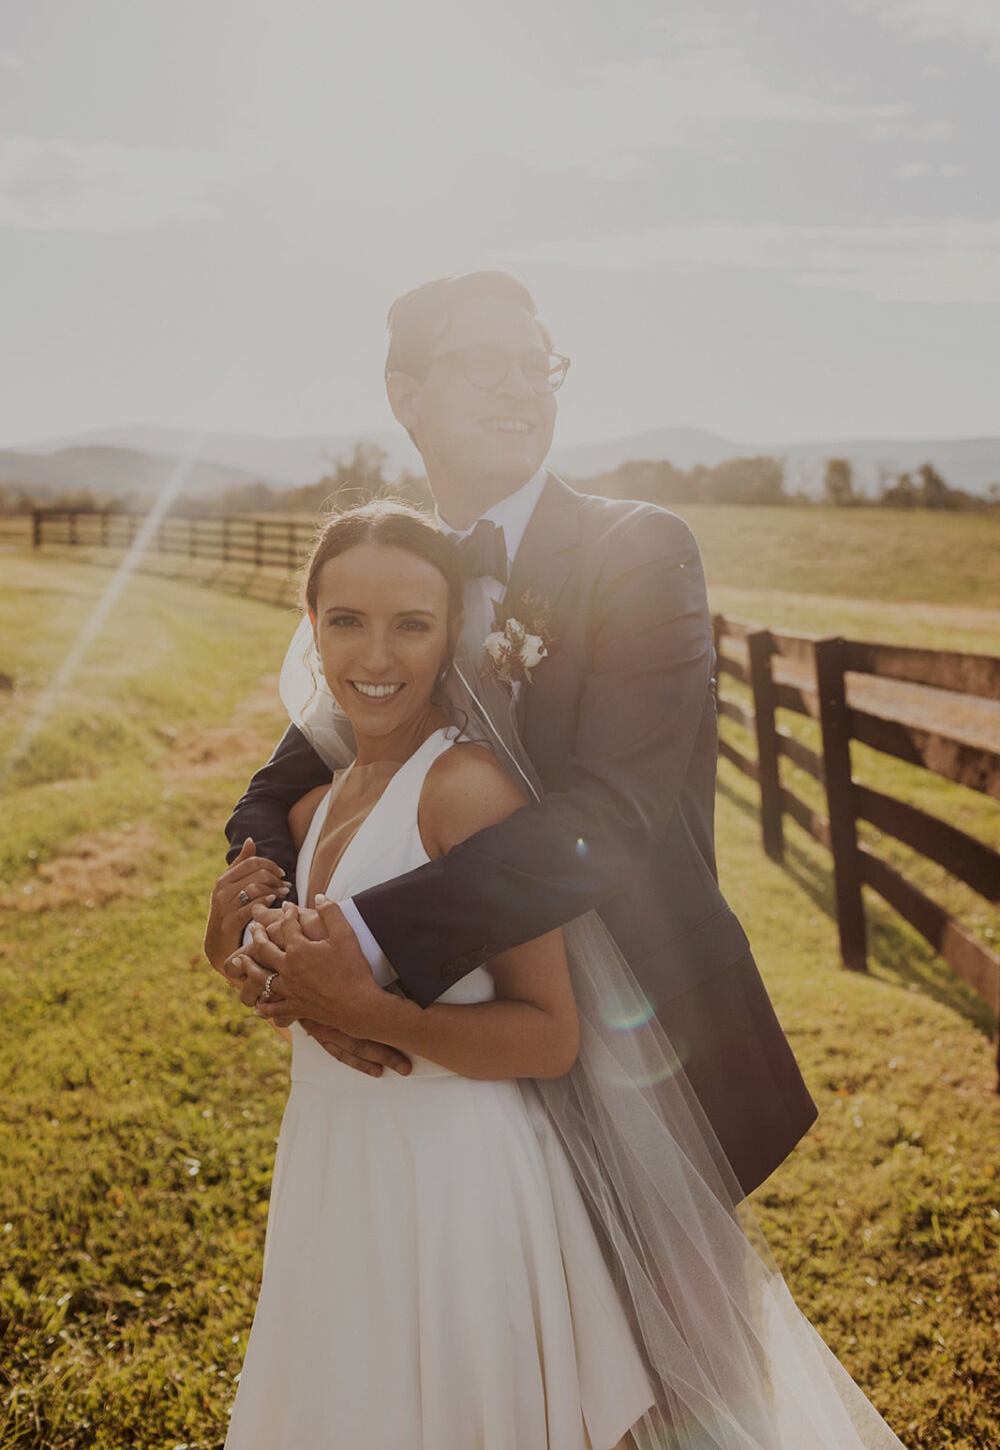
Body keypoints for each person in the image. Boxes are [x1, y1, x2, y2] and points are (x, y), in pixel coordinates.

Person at [210, 501, 908, 1450]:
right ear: (311, 630)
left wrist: (378, 1010)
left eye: (413, 624)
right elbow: (305, 982)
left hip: (461, 1188)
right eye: (347, 622)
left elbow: (550, 1035)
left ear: (452, 634)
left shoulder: (465, 791)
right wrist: (243, 951)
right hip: (339, 1169)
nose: (377, 655)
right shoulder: (313, 811)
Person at [218, 270, 816, 1196]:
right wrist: (273, 935)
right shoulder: (407, 574)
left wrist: (359, 951)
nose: (521, 386)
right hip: (460, 1053)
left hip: (643, 1027)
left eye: (538, 365)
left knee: (662, 1336)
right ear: (405, 395)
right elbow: (283, 775)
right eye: (486, 363)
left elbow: (612, 818)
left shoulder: (640, 551)